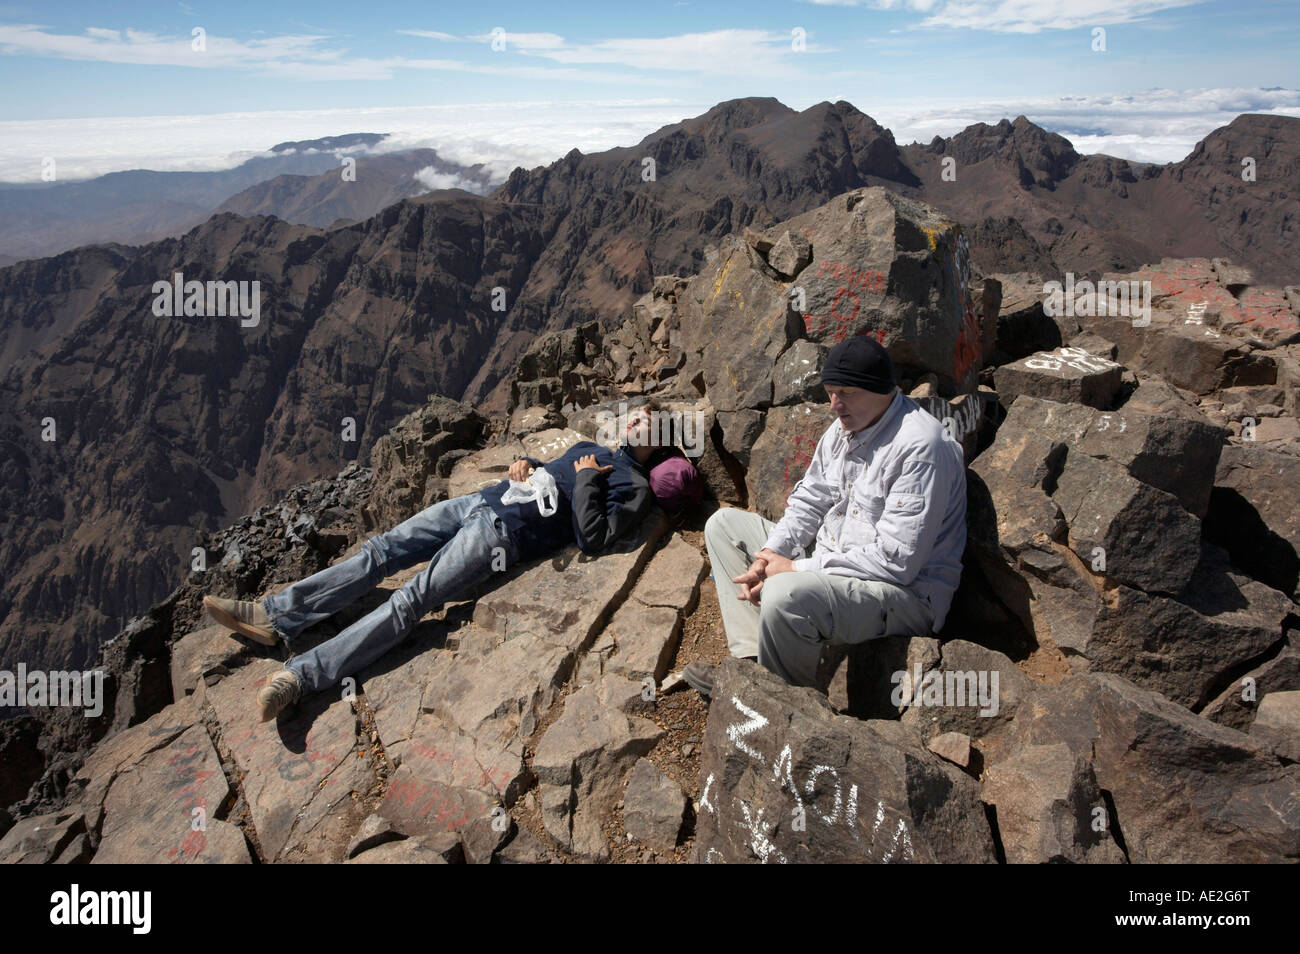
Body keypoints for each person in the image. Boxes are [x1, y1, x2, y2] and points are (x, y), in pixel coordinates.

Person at [204, 401, 703, 720]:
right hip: (485, 499)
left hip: (503, 536)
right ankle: (277, 615)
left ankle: (301, 676)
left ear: (658, 443)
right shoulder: (593, 444)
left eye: (649, 423)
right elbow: (544, 473)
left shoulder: (634, 487)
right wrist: (525, 465)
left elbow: (592, 538)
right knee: (381, 551)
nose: (636, 422)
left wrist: (591, 478)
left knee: (412, 598)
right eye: (636, 414)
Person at [686, 336, 966, 695]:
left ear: (881, 389)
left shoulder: (921, 448)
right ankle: (753, 664)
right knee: (723, 526)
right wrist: (770, 555)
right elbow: (811, 500)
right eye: (831, 391)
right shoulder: (845, 428)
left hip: (904, 594)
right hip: (839, 565)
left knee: (787, 592)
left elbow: (897, 562)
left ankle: (778, 701)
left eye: (846, 392)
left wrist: (795, 569)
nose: (835, 405)